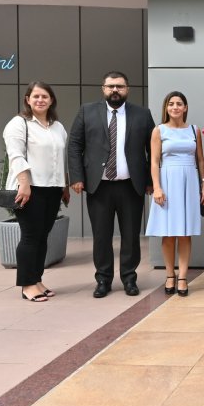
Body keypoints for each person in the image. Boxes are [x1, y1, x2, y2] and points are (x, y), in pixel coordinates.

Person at [68, 71, 155, 298]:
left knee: (131, 236)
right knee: (101, 236)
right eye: (110, 86)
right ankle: (103, 280)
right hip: (99, 186)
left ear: (127, 89)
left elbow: (153, 150)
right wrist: (76, 177)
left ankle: (129, 278)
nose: (115, 90)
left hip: (131, 186)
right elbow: (75, 145)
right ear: (103, 89)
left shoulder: (142, 114)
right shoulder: (87, 111)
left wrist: (150, 181)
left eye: (120, 86)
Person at [3, 82, 70, 302]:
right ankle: (27, 284)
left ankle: (37, 279)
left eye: (45, 96)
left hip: (52, 189)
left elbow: (61, 159)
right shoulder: (19, 123)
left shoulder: (57, 127)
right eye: (36, 96)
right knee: (31, 236)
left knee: (42, 236)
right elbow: (15, 155)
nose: (40, 100)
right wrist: (24, 183)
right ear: (27, 100)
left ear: (51, 100)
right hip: (30, 189)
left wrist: (64, 185)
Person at [145, 92, 204, 297]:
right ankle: (169, 275)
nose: (175, 107)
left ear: (185, 107)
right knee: (169, 232)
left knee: (185, 232)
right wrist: (157, 187)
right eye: (171, 104)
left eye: (179, 103)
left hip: (189, 182)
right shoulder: (159, 130)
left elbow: (200, 160)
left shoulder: (194, 130)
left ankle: (183, 277)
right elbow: (154, 161)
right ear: (166, 107)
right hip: (168, 181)